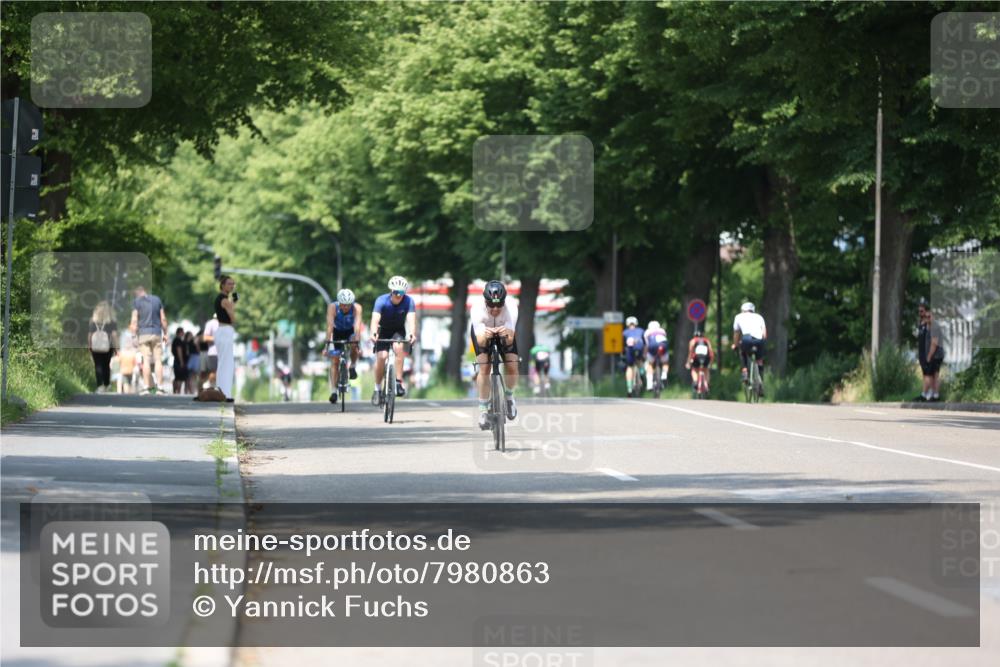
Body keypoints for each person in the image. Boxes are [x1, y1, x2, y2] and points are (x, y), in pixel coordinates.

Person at [470, 280, 518, 429]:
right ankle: (483, 409)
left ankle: (509, 397)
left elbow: (510, 340)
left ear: (504, 302)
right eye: (491, 305)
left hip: (505, 332)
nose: (495, 309)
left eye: (499, 305)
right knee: (484, 368)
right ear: (485, 301)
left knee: (512, 364)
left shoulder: (511, 307)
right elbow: (480, 341)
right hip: (483, 333)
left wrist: (505, 333)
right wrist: (486, 334)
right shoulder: (477, 308)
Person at [370, 276, 417, 403]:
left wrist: (412, 334)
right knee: (382, 357)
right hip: (383, 331)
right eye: (396, 292)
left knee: (399, 347)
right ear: (391, 290)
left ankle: (398, 382)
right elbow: (375, 320)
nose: (399, 295)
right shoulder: (381, 301)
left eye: (401, 292)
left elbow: (411, 320)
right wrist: (373, 333)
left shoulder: (409, 301)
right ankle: (377, 389)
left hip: (398, 331)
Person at [326, 288, 363, 404]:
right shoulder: (333, 307)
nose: (346, 307)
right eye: (343, 304)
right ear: (339, 303)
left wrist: (357, 342)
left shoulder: (357, 308)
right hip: (337, 332)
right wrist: (327, 344)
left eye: (348, 305)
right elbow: (330, 326)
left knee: (354, 344)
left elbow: (357, 326)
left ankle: (352, 366)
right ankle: (333, 391)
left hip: (350, 331)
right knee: (335, 361)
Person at [129, 285, 167, 394]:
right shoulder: (157, 300)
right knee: (158, 360)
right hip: (156, 333)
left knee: (146, 360)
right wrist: (165, 333)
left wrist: (133, 336)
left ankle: (146, 387)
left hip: (143, 334)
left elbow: (134, 320)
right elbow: (163, 319)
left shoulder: (137, 302)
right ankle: (160, 387)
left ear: (137, 294)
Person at [732, 301, 767, 394]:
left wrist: (735, 344)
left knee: (742, 351)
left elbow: (736, 333)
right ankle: (760, 382)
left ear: (743, 310)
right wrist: (762, 344)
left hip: (746, 339)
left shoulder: (738, 316)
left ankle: (745, 371)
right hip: (759, 340)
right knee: (759, 360)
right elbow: (764, 334)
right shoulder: (759, 317)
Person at [215, 275, 237, 402]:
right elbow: (232, 318)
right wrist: (233, 305)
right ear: (222, 285)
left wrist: (232, 303)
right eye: (229, 284)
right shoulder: (224, 300)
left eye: (233, 284)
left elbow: (229, 310)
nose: (232, 286)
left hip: (221, 330)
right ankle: (225, 394)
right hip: (225, 331)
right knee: (227, 364)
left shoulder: (221, 299)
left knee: (223, 363)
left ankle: (222, 392)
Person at [917, 301, 945, 402]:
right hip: (931, 355)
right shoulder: (928, 326)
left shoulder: (934, 326)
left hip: (936, 355)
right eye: (926, 317)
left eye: (929, 316)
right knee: (932, 375)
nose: (927, 318)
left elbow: (934, 343)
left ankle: (930, 395)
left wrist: (929, 356)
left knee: (933, 375)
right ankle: (933, 394)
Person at [88, 301, 118, 393]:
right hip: (108, 346)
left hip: (95, 346)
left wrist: (89, 346)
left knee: (98, 365)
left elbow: (90, 335)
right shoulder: (112, 322)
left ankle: (100, 386)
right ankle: (107, 384)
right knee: (106, 365)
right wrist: (116, 347)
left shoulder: (93, 321)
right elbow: (114, 335)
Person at [686, 328, 715, 393]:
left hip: (696, 358)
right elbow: (711, 351)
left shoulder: (693, 340)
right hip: (706, 358)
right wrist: (711, 362)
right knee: (706, 370)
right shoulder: (707, 340)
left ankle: (695, 382)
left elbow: (690, 352)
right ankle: (707, 383)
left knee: (694, 370)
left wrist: (688, 362)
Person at [622, 316, 645, 395]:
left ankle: (629, 389)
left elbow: (622, 344)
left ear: (627, 324)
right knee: (640, 361)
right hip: (639, 349)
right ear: (636, 323)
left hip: (630, 350)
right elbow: (645, 343)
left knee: (629, 367)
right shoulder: (641, 330)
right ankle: (642, 374)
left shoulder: (625, 332)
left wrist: (622, 353)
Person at [644, 320, 669, 390]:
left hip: (652, 346)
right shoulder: (662, 331)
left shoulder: (647, 332)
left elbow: (647, 345)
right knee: (665, 363)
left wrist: (645, 355)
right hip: (662, 346)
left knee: (650, 364)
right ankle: (664, 375)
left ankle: (649, 384)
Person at [201, 315, 219, 389]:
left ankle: (216, 387)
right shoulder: (211, 323)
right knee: (213, 371)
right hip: (214, 352)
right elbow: (205, 338)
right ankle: (210, 384)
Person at [171, 327, 188, 394]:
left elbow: (172, 351)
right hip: (178, 361)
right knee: (179, 378)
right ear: (180, 332)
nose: (183, 333)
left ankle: (175, 391)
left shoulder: (175, 340)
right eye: (182, 332)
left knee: (177, 377)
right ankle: (178, 391)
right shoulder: (178, 340)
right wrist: (181, 362)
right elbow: (179, 351)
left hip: (176, 360)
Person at [185, 330, 201, 394]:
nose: (191, 336)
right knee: (191, 376)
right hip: (192, 358)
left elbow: (197, 350)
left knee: (192, 376)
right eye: (190, 335)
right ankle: (191, 390)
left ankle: (192, 390)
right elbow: (187, 352)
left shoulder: (191, 342)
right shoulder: (187, 343)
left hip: (193, 358)